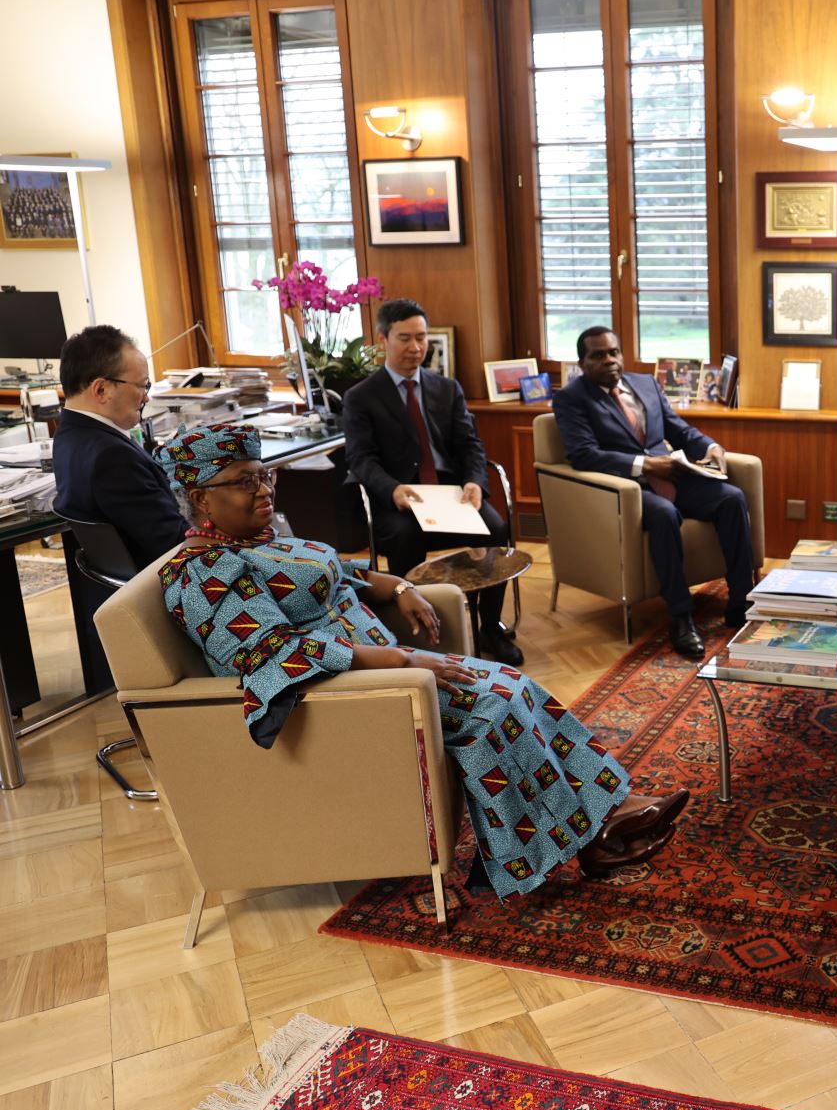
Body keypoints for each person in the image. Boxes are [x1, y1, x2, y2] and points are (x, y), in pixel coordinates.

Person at [153, 422, 689, 896]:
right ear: (200, 499)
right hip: (351, 698)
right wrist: (400, 662)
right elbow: (276, 651)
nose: (264, 489)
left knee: (512, 684)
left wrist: (400, 586)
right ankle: (595, 829)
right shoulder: (202, 574)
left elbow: (338, 571)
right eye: (245, 482)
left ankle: (603, 822)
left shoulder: (259, 541)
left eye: (265, 475)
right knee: (495, 703)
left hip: (391, 672)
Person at [552, 326, 755, 659]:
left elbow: (679, 429)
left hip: (673, 474)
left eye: (613, 352)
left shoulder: (645, 383)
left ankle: (740, 602)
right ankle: (681, 617)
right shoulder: (571, 398)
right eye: (598, 355)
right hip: (627, 487)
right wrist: (645, 465)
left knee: (731, 498)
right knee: (664, 514)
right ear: (582, 362)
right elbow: (583, 454)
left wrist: (711, 447)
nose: (609, 360)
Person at [342, 298, 523, 665]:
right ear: (383, 340)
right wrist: (392, 489)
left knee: (495, 529)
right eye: (405, 338)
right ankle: (410, 626)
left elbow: (470, 445)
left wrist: (475, 482)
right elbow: (360, 459)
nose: (415, 347)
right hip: (400, 495)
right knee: (406, 536)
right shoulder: (361, 396)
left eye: (421, 338)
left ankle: (489, 626)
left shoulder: (447, 388)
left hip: (450, 492)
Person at [52, 324, 188, 567]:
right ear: (102, 389)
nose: (146, 397)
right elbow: (175, 542)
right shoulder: (113, 458)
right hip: (168, 577)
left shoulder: (67, 436)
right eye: (142, 386)